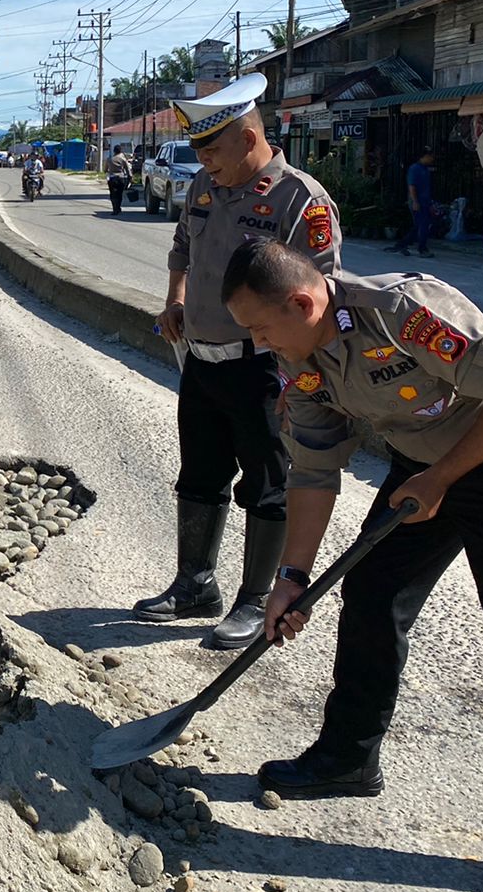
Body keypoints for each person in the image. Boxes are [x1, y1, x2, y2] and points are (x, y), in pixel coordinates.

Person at [221, 238, 483, 892]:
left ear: (303, 302)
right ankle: (348, 757)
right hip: (424, 468)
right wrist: (292, 575)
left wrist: (443, 479)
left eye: (260, 327)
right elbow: (313, 468)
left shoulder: (404, 312)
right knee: (371, 592)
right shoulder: (302, 359)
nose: (258, 343)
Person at [141, 72, 343, 650]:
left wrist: (297, 376)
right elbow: (182, 247)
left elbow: (319, 295)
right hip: (202, 359)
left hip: (263, 368)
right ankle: (194, 583)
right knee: (199, 473)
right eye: (199, 151)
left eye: (212, 149)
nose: (204, 162)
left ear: (248, 138)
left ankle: (255, 599)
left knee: (267, 480)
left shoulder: (300, 200)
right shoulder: (204, 188)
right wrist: (175, 299)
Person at [387, 148, 436, 257]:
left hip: (425, 201)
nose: (432, 158)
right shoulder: (415, 169)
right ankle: (422, 249)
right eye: (430, 156)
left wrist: (431, 203)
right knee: (422, 225)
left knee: (420, 225)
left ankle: (402, 244)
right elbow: (412, 186)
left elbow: (427, 188)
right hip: (417, 201)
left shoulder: (425, 170)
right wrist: (414, 201)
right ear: (424, 156)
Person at [107, 147, 133, 215]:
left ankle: (114, 208)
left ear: (114, 151)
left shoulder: (109, 159)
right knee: (119, 194)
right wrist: (130, 178)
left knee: (112, 194)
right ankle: (118, 207)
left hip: (112, 178)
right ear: (120, 151)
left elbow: (105, 169)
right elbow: (128, 170)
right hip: (120, 178)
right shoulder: (123, 159)